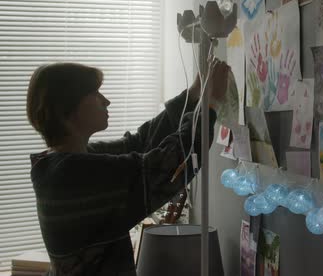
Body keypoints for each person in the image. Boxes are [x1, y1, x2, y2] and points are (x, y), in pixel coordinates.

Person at [26, 61, 228, 275]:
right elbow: (166, 166)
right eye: (95, 93)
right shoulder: (73, 175)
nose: (106, 101)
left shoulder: (64, 161)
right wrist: (210, 106)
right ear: (66, 108)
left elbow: (140, 142)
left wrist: (193, 94)